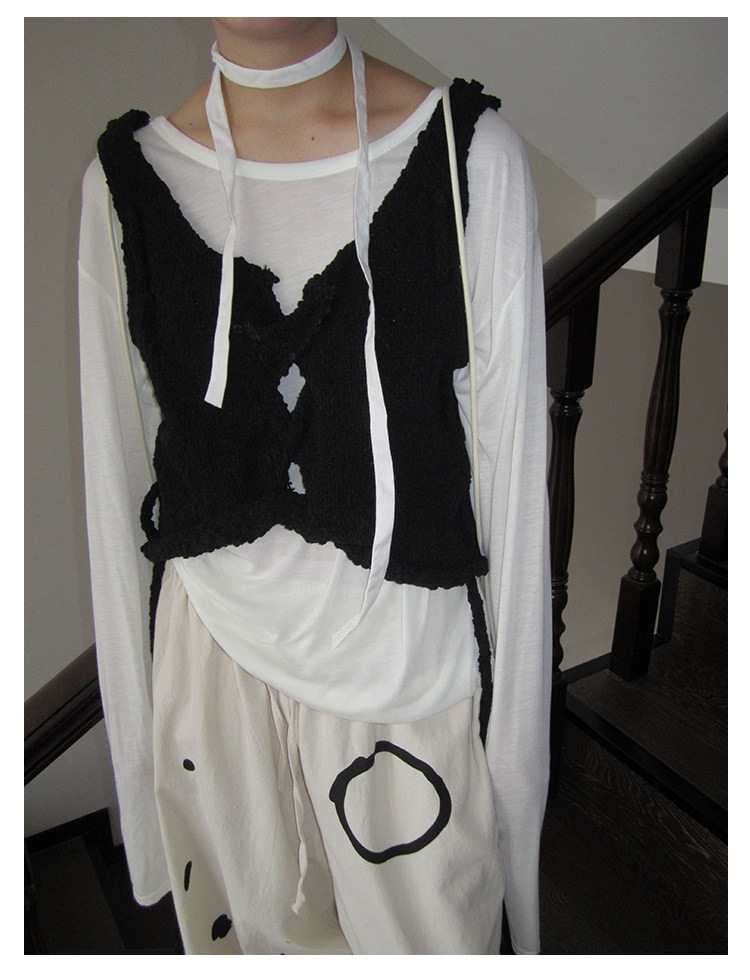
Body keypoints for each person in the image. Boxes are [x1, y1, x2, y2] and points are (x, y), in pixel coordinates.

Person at [79, 17, 551, 955]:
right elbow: (113, 477)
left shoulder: (470, 157)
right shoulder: (121, 185)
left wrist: (517, 792)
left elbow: (516, 489)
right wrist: (140, 779)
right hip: (212, 679)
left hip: (406, 675)